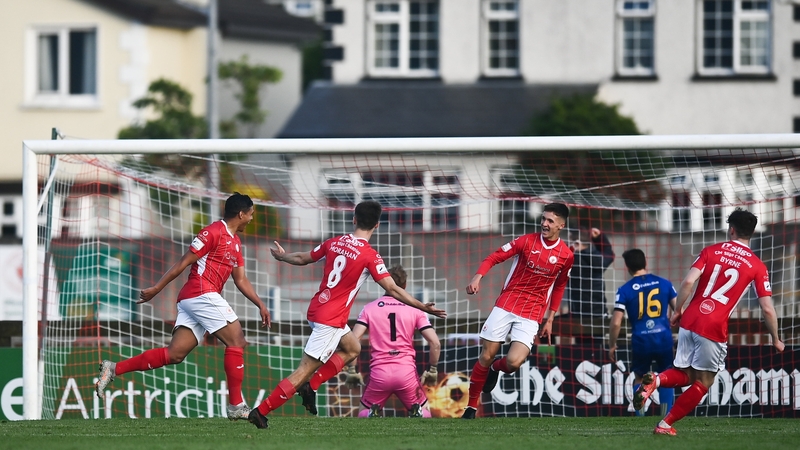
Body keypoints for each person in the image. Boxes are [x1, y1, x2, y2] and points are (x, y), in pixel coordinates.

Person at [247, 200, 446, 429]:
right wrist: (422, 307)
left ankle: (311, 386)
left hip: (316, 310)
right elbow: (392, 288)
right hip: (330, 321)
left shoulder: (335, 242)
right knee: (303, 371)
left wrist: (283, 257)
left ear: (354, 220)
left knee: (353, 348)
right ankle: (261, 411)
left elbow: (303, 258)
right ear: (377, 225)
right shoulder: (370, 255)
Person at [95, 193, 271, 420]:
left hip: (198, 299)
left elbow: (241, 279)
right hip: (200, 293)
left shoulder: (236, 242)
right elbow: (182, 262)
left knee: (175, 354)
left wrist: (260, 304)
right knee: (237, 340)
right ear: (241, 214)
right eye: (251, 214)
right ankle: (236, 406)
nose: (252, 218)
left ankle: (113, 368)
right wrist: (157, 288)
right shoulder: (212, 232)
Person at [635, 208, 784, 436]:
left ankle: (655, 380)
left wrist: (678, 310)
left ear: (731, 229)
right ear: (751, 232)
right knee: (704, 381)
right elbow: (767, 308)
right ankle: (664, 425)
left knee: (686, 374)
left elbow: (688, 282)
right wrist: (776, 338)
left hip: (690, 319)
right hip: (713, 325)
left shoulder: (710, 251)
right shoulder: (757, 266)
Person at [461, 202, 574, 419]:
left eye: (550, 221)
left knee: (514, 362)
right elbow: (494, 257)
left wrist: (551, 318)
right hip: (507, 303)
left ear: (561, 225)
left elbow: (560, 286)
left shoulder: (566, 255)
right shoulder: (526, 241)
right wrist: (477, 277)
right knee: (486, 354)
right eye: (543, 218)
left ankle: (495, 369)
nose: (544, 223)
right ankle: (471, 407)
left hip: (532, 312)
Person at [347, 265, 441, 418]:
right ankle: (418, 412)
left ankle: (370, 413)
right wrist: (433, 370)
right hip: (406, 373)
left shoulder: (369, 308)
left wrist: (352, 370)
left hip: (379, 373)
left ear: (384, 283)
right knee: (425, 411)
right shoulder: (416, 309)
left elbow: (353, 339)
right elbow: (435, 343)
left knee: (363, 412)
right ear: (405, 285)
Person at [608, 248, 677, 416]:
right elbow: (679, 311)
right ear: (645, 262)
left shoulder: (624, 290)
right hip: (663, 338)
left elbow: (616, 322)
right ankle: (665, 419)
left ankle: (640, 418)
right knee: (666, 377)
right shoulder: (665, 283)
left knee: (639, 378)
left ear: (627, 267)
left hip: (641, 340)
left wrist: (612, 345)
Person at [567, 226, 615, 317]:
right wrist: (600, 238)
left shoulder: (571, 261)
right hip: (599, 313)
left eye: (569, 241)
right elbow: (609, 254)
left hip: (577, 314)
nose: (567, 244)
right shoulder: (597, 258)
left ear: (576, 243)